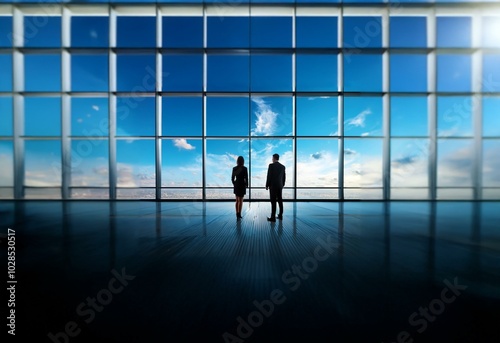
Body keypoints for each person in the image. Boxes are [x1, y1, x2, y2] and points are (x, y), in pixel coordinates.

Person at [265, 153, 286, 222]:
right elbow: (284, 178)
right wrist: (282, 185)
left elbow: (269, 176)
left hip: (273, 186)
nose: (272, 159)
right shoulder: (283, 167)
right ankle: (280, 215)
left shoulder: (271, 166)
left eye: (272, 158)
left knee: (273, 201)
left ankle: (273, 217)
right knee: (280, 200)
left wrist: (267, 185)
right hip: (279, 186)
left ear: (274, 158)